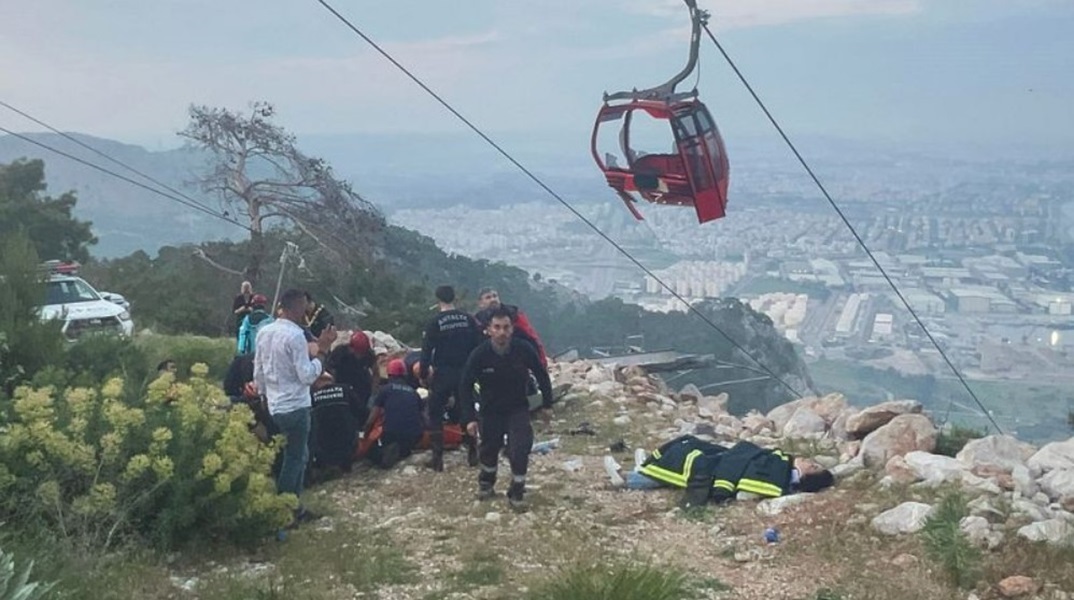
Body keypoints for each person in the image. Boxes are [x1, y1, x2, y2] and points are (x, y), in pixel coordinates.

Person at [254, 288, 337, 526]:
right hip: (295, 405)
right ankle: (287, 509)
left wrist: (262, 396)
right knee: (295, 458)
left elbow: (258, 369)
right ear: (298, 309)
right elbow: (307, 375)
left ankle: (290, 506)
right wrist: (321, 351)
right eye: (304, 307)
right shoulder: (295, 336)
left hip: (273, 404)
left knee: (293, 454)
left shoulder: (264, 332)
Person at [459, 306, 553, 509]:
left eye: (506, 327)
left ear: (512, 329)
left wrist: (547, 404)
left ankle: (517, 492)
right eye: (497, 327)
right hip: (490, 410)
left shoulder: (524, 349)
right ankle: (486, 484)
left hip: (517, 408)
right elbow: (465, 386)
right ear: (489, 330)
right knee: (489, 449)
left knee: (520, 449)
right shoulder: (480, 354)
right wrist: (469, 418)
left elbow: (541, 374)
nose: (502, 332)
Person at [603, 435, 835, 508]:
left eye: (813, 466)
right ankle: (647, 466)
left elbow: (750, 483)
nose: (808, 460)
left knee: (693, 464)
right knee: (692, 444)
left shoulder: (779, 474)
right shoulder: (781, 464)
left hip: (719, 471)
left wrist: (724, 487)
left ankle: (628, 478)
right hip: (727, 460)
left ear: (806, 476)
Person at [420, 285, 482, 471]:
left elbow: (426, 352)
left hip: (443, 373)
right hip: (465, 371)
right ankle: (472, 452)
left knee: (435, 413)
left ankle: (437, 458)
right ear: (455, 298)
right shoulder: (468, 319)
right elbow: (478, 346)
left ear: (438, 299)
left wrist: (424, 374)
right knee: (467, 410)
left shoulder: (434, 322)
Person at [366, 358, 426, 469]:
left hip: (392, 434)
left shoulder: (384, 390)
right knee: (404, 445)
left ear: (389, 375)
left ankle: (386, 454)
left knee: (370, 453)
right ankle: (404, 451)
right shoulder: (413, 392)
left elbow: (372, 418)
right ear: (405, 375)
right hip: (414, 436)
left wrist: (365, 435)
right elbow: (424, 418)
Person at [473, 287, 548, 367]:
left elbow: (532, 337)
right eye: (488, 297)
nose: (493, 299)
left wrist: (542, 362)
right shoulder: (477, 321)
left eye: (495, 296)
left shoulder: (515, 315)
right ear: (480, 303)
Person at [309, 372, 365, 474]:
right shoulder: (345, 389)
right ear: (332, 380)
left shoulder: (312, 397)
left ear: (316, 383)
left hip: (323, 450)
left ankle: (324, 467)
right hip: (347, 447)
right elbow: (360, 411)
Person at [325, 330, 375, 409]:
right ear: (351, 348)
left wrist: (373, 390)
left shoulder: (368, 355)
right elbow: (330, 369)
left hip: (361, 384)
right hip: (342, 382)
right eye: (359, 353)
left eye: (363, 353)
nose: (361, 356)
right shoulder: (340, 353)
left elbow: (375, 371)